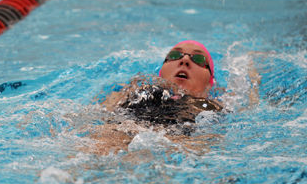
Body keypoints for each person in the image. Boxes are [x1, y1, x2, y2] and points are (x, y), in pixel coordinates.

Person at [91, 40, 243, 154]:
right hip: (122, 132)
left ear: (210, 83)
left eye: (198, 59)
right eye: (175, 55)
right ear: (161, 71)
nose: (185, 60)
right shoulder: (135, 90)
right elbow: (99, 116)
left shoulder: (215, 107)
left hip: (178, 146)